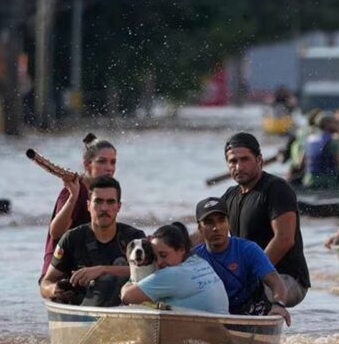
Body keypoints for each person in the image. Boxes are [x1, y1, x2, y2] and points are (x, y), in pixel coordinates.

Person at [215, 132, 310, 307]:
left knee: (236, 296)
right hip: (248, 278)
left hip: (286, 279)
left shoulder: (276, 189)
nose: (239, 167)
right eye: (233, 161)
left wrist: (250, 275)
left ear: (259, 160)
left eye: (245, 160)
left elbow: (284, 239)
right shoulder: (230, 196)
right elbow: (204, 232)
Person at [40, 176, 145, 307]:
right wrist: (54, 290)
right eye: (98, 201)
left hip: (123, 309)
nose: (104, 208)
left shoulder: (134, 239)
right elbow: (46, 282)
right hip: (81, 312)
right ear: (88, 205)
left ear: (118, 207)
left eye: (110, 202)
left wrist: (102, 270)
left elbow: (149, 273)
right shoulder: (72, 238)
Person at [193, 197, 291, 325]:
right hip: (215, 316)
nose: (216, 228)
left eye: (221, 221)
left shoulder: (248, 249)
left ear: (229, 224)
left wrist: (279, 305)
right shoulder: (194, 258)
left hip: (252, 313)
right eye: (209, 222)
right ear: (200, 228)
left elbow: (277, 283)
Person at [41, 133, 117, 279]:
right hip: (60, 265)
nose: (109, 168)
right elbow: (56, 233)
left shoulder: (106, 192)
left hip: (88, 262)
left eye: (113, 162)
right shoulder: (73, 191)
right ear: (87, 164)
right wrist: (73, 197)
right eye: (102, 162)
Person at [120, 223, 229, 313]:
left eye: (163, 255)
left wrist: (131, 280)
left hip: (208, 334)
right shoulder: (200, 262)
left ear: (181, 249)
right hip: (224, 326)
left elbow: (126, 296)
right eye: (155, 257)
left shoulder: (171, 274)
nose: (159, 263)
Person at [303, 111, 339, 190]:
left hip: (309, 181)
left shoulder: (309, 139)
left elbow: (302, 162)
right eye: (335, 122)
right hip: (328, 183)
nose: (338, 125)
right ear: (328, 124)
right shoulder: (333, 141)